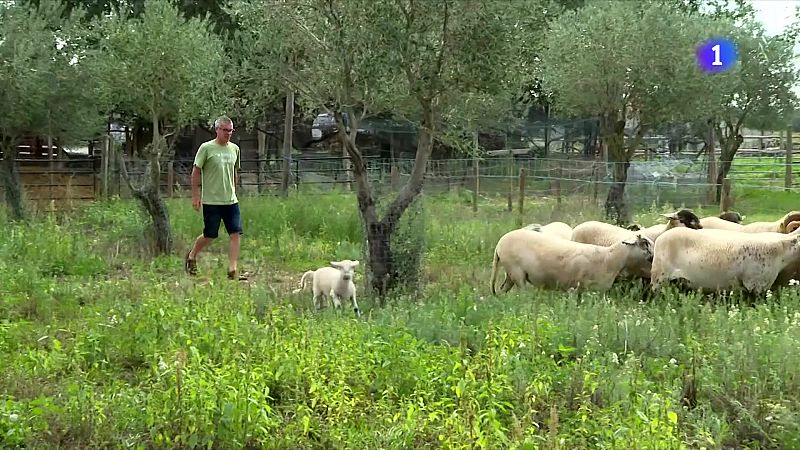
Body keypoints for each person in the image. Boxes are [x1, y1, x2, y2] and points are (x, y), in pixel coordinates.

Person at [184, 115, 248, 281]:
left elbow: (235, 170)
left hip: (230, 201)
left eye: (231, 131)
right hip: (212, 200)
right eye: (225, 130)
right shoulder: (206, 148)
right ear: (217, 130)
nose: (228, 134)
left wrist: (234, 188)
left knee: (235, 233)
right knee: (210, 234)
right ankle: (192, 256)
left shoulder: (234, 149)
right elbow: (196, 171)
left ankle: (232, 269)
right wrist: (195, 195)